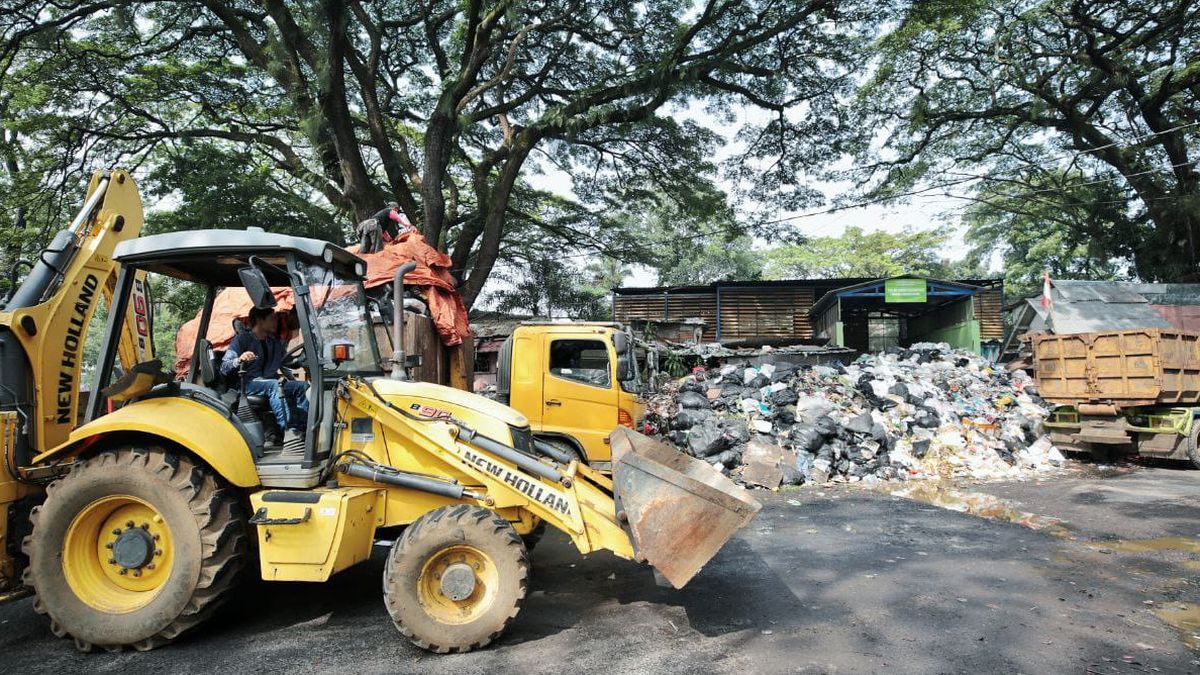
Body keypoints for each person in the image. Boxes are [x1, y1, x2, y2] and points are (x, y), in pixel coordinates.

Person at [220, 306, 308, 449]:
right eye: (272, 318)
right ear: (260, 320)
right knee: (275, 385)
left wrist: (305, 357)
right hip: (247, 384)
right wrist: (240, 359)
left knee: (301, 387)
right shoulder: (242, 339)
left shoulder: (273, 342)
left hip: (268, 383)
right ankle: (290, 431)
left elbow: (288, 362)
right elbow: (225, 367)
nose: (276, 322)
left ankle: (305, 429)